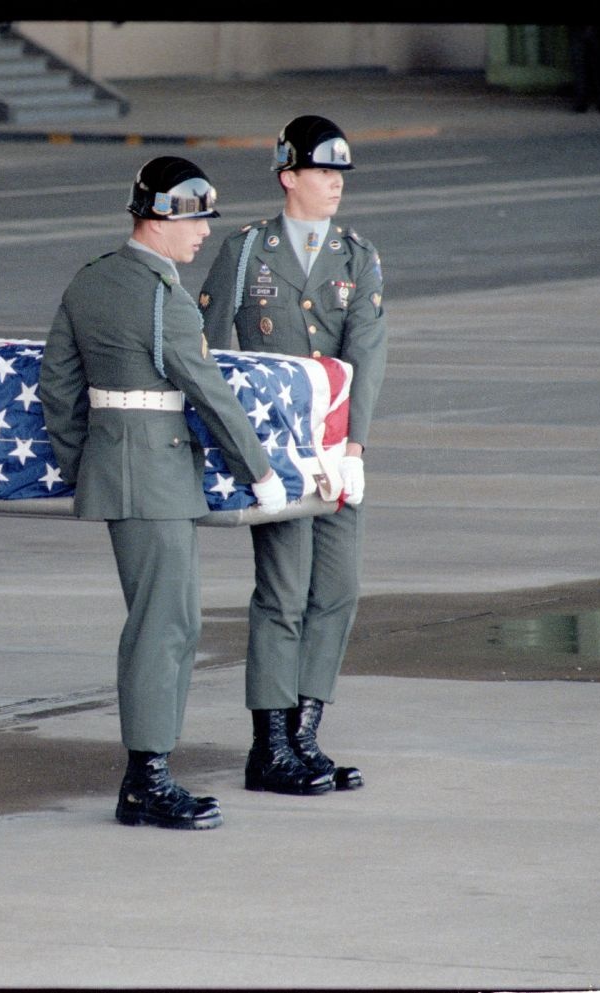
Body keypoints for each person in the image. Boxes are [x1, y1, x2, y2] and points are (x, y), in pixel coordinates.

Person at [39, 156, 288, 830]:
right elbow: (208, 392)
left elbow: (57, 386)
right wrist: (259, 473)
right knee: (165, 625)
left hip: (119, 473)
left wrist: (83, 462)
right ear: (163, 218)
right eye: (197, 220)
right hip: (156, 480)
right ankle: (145, 778)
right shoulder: (163, 297)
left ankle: (150, 772)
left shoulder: (90, 281)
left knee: (164, 621)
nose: (205, 233)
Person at [199, 115, 388, 796]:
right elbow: (213, 354)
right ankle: (268, 744)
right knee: (282, 593)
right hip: (276, 457)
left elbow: (366, 352)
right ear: (289, 177)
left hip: (337, 453)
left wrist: (356, 448)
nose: (335, 185)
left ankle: (304, 736)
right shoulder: (247, 251)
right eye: (322, 172)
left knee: (336, 590)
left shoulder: (357, 256)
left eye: (341, 174)